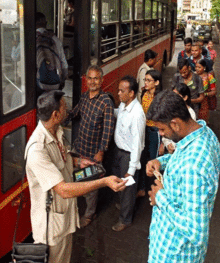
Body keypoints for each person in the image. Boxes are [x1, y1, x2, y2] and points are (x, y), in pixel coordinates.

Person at [25, 90, 127, 263]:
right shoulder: (37, 149)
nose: (68, 109)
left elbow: (62, 158)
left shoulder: (56, 132)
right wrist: (103, 181)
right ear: (56, 115)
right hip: (51, 227)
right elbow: (63, 190)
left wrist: (78, 162)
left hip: (64, 219)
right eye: (64, 107)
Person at [146, 90, 220, 263]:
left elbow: (196, 232)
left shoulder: (194, 166)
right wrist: (161, 161)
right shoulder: (203, 133)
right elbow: (181, 156)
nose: (161, 134)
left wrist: (161, 198)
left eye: (162, 129)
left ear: (175, 124)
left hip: (175, 255)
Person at [66, 65, 115, 227]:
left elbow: (108, 129)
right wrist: (60, 115)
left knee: (91, 188)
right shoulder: (85, 97)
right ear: (86, 80)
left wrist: (101, 151)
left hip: (93, 153)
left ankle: (89, 214)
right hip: (79, 148)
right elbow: (75, 113)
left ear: (101, 80)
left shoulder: (106, 101)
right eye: (90, 78)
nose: (92, 81)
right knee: (74, 177)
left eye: (96, 78)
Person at [112, 76, 146, 231]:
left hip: (129, 156)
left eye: (122, 91)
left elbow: (137, 145)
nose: (118, 93)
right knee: (120, 184)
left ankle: (125, 219)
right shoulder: (123, 106)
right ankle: (124, 206)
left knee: (128, 188)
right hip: (119, 152)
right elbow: (117, 114)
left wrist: (131, 170)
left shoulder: (137, 114)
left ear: (131, 93)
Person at [137, 70, 163, 198]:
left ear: (157, 82)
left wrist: (163, 141)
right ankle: (142, 188)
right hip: (144, 130)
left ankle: (156, 190)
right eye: (145, 80)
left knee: (153, 161)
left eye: (149, 80)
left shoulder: (160, 98)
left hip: (155, 132)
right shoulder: (144, 94)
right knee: (142, 159)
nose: (145, 83)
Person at [35, 12, 68, 95]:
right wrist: (62, 80)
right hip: (55, 83)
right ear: (45, 23)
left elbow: (14, 57)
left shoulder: (29, 38)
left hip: (37, 84)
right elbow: (64, 64)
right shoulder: (54, 39)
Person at [162, 83, 196, 155]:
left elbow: (188, 136)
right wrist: (167, 144)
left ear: (185, 97)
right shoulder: (170, 109)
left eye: (177, 96)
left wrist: (175, 146)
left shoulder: (191, 114)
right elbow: (165, 130)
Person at [195, 59, 216, 123]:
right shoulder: (193, 75)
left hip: (204, 103)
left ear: (204, 68)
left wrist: (205, 94)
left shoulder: (209, 77)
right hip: (194, 101)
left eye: (199, 67)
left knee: (202, 120)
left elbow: (214, 91)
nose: (197, 69)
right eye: (196, 67)